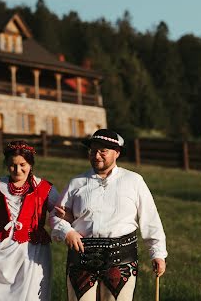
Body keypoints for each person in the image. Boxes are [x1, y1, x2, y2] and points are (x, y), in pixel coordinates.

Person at [51, 129, 167, 301]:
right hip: (81, 259)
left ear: (117, 153)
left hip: (121, 259)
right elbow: (55, 216)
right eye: (93, 151)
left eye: (103, 151)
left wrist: (157, 253)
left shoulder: (134, 181)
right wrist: (66, 231)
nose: (96, 156)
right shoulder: (76, 183)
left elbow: (150, 219)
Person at [0, 140, 59, 301]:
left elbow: (58, 214)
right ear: (7, 164)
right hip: (0, 249)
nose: (18, 170)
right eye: (13, 165)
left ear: (30, 164)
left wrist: (62, 223)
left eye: (23, 165)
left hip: (32, 251)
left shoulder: (44, 188)